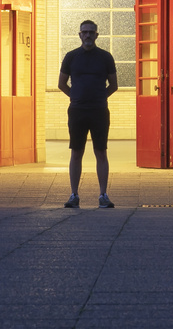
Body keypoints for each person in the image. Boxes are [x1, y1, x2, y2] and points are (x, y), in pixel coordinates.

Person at [58, 18, 117, 208]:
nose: (88, 35)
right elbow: (61, 83)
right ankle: (74, 195)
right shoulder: (71, 57)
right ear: (80, 35)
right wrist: (75, 97)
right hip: (77, 111)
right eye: (85, 32)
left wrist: (99, 98)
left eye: (92, 32)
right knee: (76, 152)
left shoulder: (106, 57)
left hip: (99, 111)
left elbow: (114, 85)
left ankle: (103, 195)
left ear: (97, 35)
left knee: (101, 151)